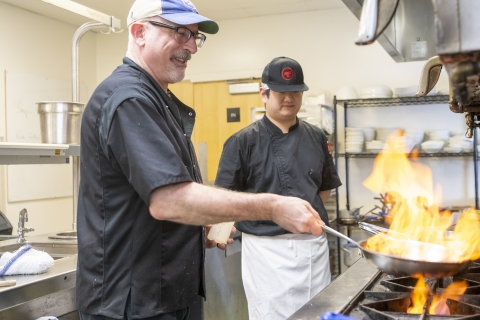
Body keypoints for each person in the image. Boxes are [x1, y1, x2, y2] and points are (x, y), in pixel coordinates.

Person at [76, 1, 325, 319]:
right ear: (139, 32)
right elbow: (168, 200)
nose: (192, 46)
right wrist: (273, 207)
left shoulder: (157, 98)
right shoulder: (129, 99)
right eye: (181, 32)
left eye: (195, 36)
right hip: (131, 304)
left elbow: (161, 199)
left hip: (163, 295)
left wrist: (200, 219)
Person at [215, 56, 342, 319]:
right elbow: (223, 199)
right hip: (267, 253)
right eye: (282, 92)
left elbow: (323, 189)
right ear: (264, 93)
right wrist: (218, 233)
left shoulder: (316, 137)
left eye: (296, 91)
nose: (289, 98)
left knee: (318, 313)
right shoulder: (241, 142)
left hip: (312, 249)